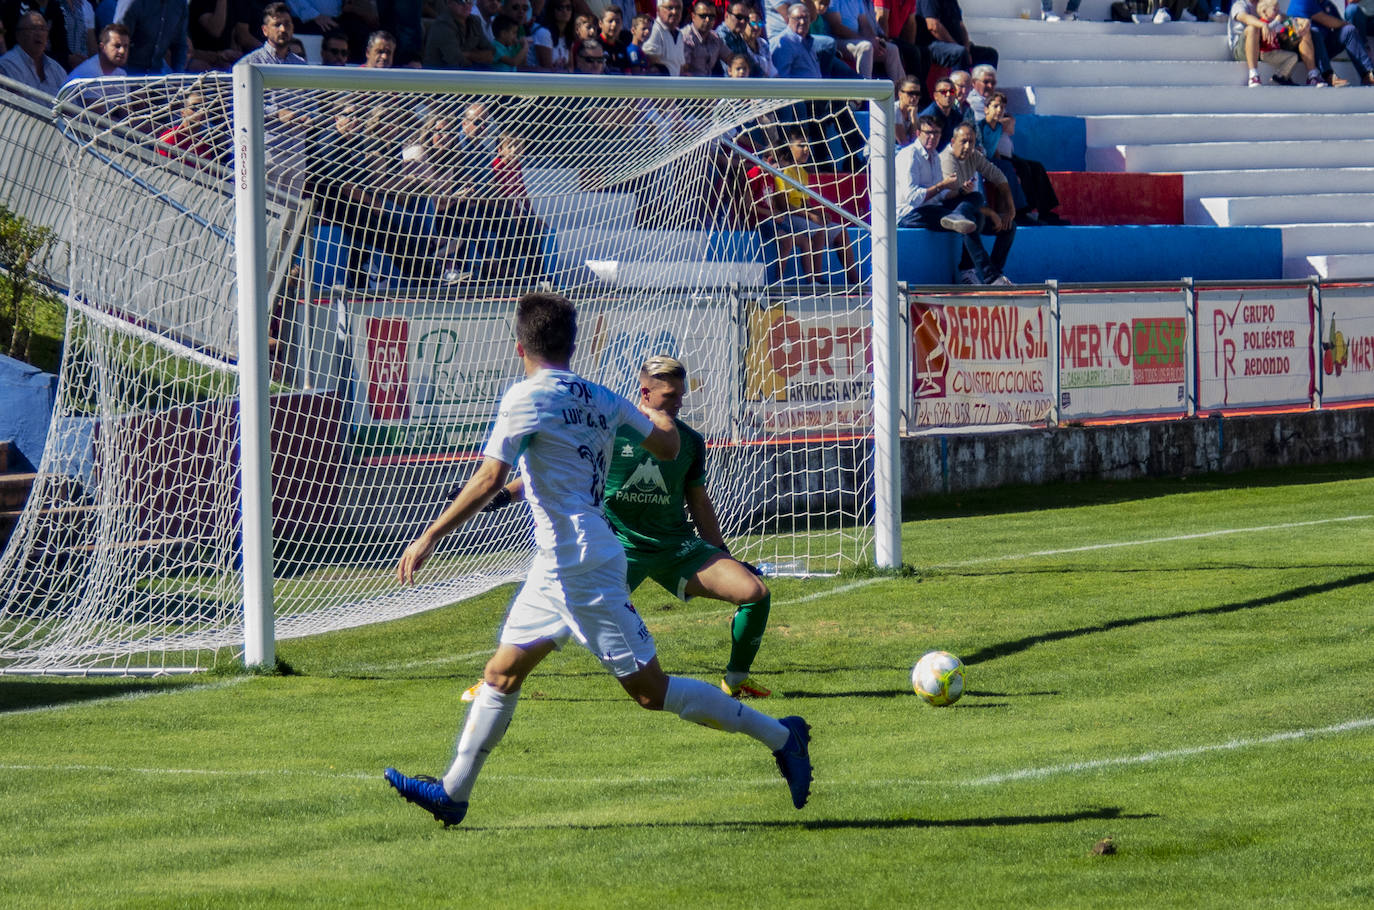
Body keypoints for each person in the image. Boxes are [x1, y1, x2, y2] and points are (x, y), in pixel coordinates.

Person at [384, 293, 813, 827]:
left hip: (582, 565)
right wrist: (657, 420)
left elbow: (491, 477)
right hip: (556, 564)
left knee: (652, 694)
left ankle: (783, 736)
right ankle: (453, 792)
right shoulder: (599, 396)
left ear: (519, 345)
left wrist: (428, 536)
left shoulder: (525, 396)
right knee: (501, 673)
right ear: (574, 343)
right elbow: (663, 443)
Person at [473, 354, 776, 701]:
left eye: (680, 395)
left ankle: (736, 681)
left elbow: (699, 501)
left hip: (675, 549)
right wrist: (500, 496)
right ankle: (495, 681)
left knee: (754, 594)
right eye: (670, 396)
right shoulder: (609, 430)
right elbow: (555, 475)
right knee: (557, 617)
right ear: (645, 392)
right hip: (616, 550)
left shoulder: (689, 441)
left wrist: (723, 553)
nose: (679, 403)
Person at [939, 121, 1015, 285]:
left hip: (968, 210)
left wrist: (1011, 208)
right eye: (963, 142)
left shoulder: (973, 155)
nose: (967, 146)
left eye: (971, 142)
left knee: (1009, 225)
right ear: (953, 142)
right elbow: (954, 196)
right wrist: (992, 213)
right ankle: (987, 276)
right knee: (975, 209)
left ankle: (994, 273)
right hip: (947, 209)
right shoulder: (947, 159)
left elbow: (999, 177)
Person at [1231, 0, 1322, 85]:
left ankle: (1312, 75)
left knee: (1303, 30)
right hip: (1244, 49)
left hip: (1267, 46)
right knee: (1253, 28)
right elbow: (1246, 18)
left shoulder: (1267, 3)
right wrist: (1263, 25)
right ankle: (1253, 76)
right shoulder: (1240, 4)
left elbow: (1285, 18)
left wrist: (1301, 21)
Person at [1285, 0, 1374, 84]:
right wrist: (1345, 23)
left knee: (1349, 30)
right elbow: (1326, 20)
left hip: (1324, 47)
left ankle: (1367, 74)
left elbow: (1339, 25)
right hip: (1304, 50)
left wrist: (1349, 26)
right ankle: (1327, 75)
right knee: (1315, 31)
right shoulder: (1302, 1)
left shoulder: (1328, 4)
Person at [917, 0, 996, 73]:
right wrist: (957, 46)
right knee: (959, 53)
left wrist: (967, 49)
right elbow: (933, 26)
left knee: (990, 54)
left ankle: (984, 86)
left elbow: (961, 25)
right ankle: (961, 85)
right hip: (932, 46)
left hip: (955, 45)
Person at [0, 11, 67, 93]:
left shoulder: (57, 70)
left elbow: (71, 103)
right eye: (33, 29)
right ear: (19, 35)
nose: (39, 34)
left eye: (43, 29)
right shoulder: (7, 65)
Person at [114, 0, 188, 73]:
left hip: (156, 72)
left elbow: (180, 44)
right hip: (126, 72)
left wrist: (178, 74)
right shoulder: (131, 2)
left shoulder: (180, 3)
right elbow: (117, 41)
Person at [424, 0, 493, 67]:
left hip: (466, 74)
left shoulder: (475, 21)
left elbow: (491, 53)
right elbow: (457, 61)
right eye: (461, 1)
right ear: (449, 2)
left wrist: (467, 55)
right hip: (438, 75)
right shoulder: (442, 25)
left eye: (470, 1)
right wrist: (478, 56)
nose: (466, 5)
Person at [682, 0, 726, 73]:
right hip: (690, 83)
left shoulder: (715, 37)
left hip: (709, 82)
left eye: (712, 16)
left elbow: (731, 58)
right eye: (703, 16)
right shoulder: (685, 38)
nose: (707, 20)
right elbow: (683, 72)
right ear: (693, 16)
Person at [641, 0, 684, 74]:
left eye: (678, 8)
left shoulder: (679, 34)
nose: (674, 12)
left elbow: (679, 66)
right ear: (658, 10)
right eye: (670, 8)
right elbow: (650, 60)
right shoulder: (653, 29)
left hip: (675, 83)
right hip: (660, 83)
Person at [918, 77, 961, 149]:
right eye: (943, 92)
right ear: (935, 96)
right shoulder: (929, 116)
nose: (948, 94)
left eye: (951, 92)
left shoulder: (956, 115)